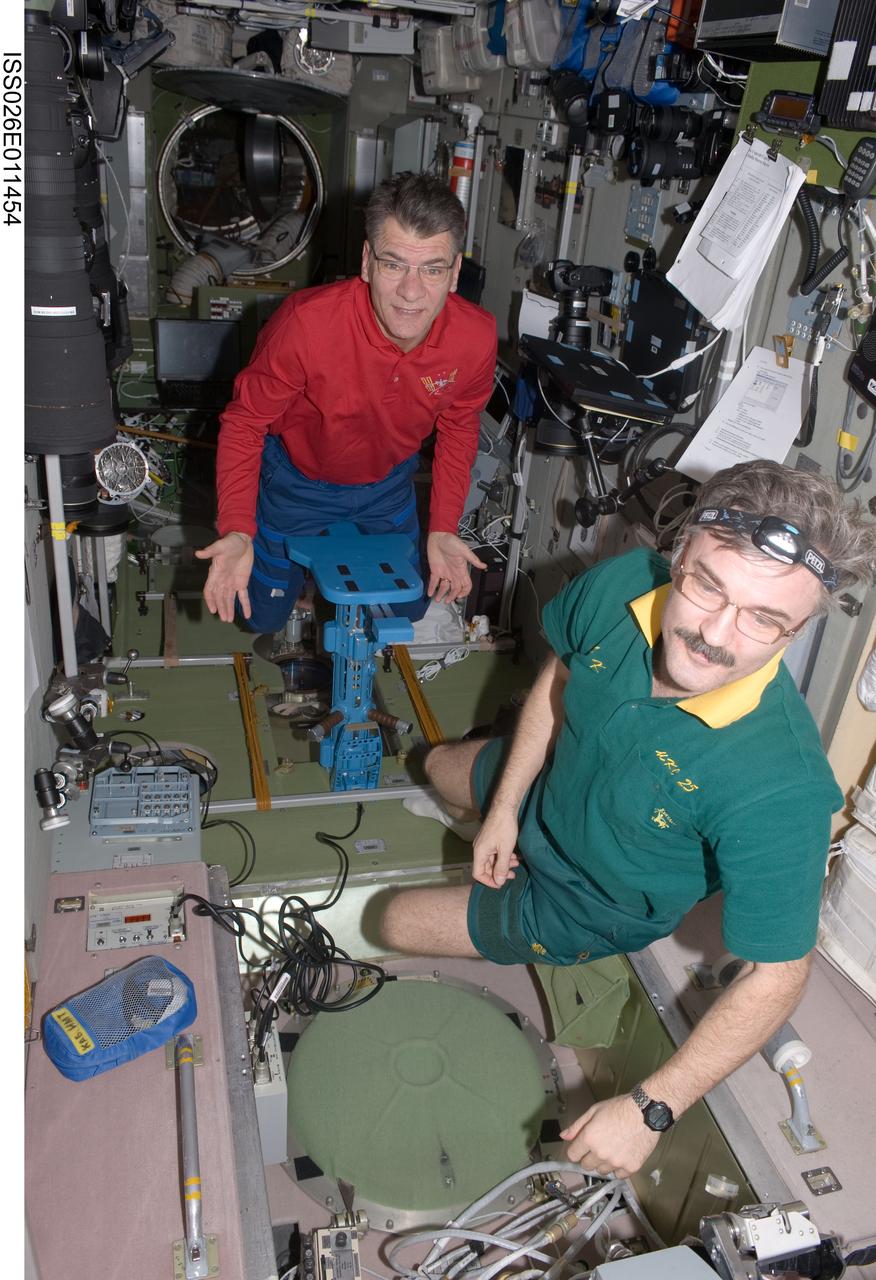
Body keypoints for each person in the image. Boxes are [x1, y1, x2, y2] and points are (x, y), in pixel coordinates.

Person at [380, 459, 876, 1178]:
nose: (716, 636)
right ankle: (477, 814)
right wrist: (505, 811)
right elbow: (563, 671)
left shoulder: (781, 785)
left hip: (590, 903)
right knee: (436, 767)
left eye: (764, 620)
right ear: (678, 556)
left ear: (795, 632)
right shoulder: (621, 584)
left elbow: (778, 975)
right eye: (708, 586)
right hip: (554, 779)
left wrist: (653, 1107)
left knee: (393, 923)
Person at [196, 173, 498, 632]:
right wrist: (237, 528)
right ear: (367, 262)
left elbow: (461, 427)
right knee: (259, 617)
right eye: (394, 264)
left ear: (455, 272)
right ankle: (291, 581)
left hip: (385, 486)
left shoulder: (476, 336)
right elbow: (245, 421)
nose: (411, 293)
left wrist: (443, 526)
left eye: (432, 269)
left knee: (405, 611)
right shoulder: (306, 324)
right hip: (298, 483)